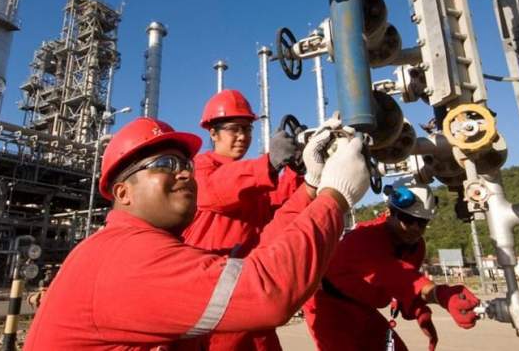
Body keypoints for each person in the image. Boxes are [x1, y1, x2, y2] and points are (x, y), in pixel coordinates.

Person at [24, 117, 371, 350]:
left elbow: (260, 253)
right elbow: (264, 290)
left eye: (185, 165)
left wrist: (310, 186)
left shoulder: (151, 246)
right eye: (164, 164)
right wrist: (334, 196)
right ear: (123, 193)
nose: (186, 174)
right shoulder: (126, 258)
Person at [182, 90, 304, 350]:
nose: (243, 137)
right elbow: (216, 190)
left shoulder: (255, 178)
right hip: (211, 298)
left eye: (247, 129)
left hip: (250, 293)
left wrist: (300, 170)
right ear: (213, 133)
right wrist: (269, 164)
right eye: (234, 129)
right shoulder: (200, 167)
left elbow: (281, 208)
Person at [303, 179, 481, 351]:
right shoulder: (365, 238)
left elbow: (404, 286)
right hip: (330, 308)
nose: (415, 228)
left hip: (365, 308)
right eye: (407, 219)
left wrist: (417, 307)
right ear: (390, 212)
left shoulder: (416, 247)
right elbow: (396, 274)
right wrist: (440, 294)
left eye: (422, 222)